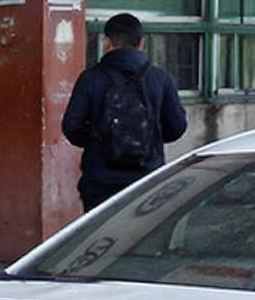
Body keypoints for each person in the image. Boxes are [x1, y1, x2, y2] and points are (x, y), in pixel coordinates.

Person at [62, 12, 187, 211]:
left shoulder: (90, 78)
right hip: (147, 177)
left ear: (106, 43)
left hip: (100, 180)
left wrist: (99, 138)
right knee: (142, 236)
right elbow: (177, 127)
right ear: (142, 43)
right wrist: (147, 135)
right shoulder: (160, 78)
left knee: (98, 235)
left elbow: (71, 126)